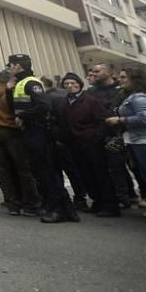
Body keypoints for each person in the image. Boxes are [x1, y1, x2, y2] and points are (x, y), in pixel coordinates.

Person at [7, 54, 77, 223]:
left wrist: (23, 116)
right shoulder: (19, 84)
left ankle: (59, 209)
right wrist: (9, 89)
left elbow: (43, 106)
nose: (9, 68)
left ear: (18, 66)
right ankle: (57, 206)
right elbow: (14, 107)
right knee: (41, 171)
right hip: (30, 132)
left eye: (11, 65)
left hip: (37, 132)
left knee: (47, 171)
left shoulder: (31, 82)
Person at [0, 70, 40, 217]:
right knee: (23, 168)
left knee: (2, 170)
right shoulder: (14, 90)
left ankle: (12, 203)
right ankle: (31, 203)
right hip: (12, 132)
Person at [60, 73, 120, 217]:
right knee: (85, 174)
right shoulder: (65, 102)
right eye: (66, 83)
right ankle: (97, 201)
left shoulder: (90, 101)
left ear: (79, 84)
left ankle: (110, 204)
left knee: (100, 173)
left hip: (92, 142)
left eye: (72, 83)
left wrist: (95, 137)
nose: (70, 86)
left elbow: (102, 120)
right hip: (75, 144)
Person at [106, 67, 146, 225]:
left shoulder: (139, 98)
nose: (120, 80)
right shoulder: (129, 96)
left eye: (124, 77)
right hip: (139, 140)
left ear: (134, 79)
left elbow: (144, 118)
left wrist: (120, 120)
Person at [88, 63, 140, 208]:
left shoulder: (123, 89)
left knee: (137, 166)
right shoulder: (92, 92)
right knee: (115, 166)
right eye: (93, 71)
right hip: (109, 135)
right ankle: (125, 197)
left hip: (130, 132)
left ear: (109, 73)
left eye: (97, 71)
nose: (94, 73)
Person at [42, 76, 88, 211]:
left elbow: (59, 119)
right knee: (72, 170)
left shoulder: (51, 98)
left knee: (60, 170)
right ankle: (80, 197)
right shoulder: (62, 96)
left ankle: (69, 198)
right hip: (65, 139)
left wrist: (58, 137)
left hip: (57, 139)